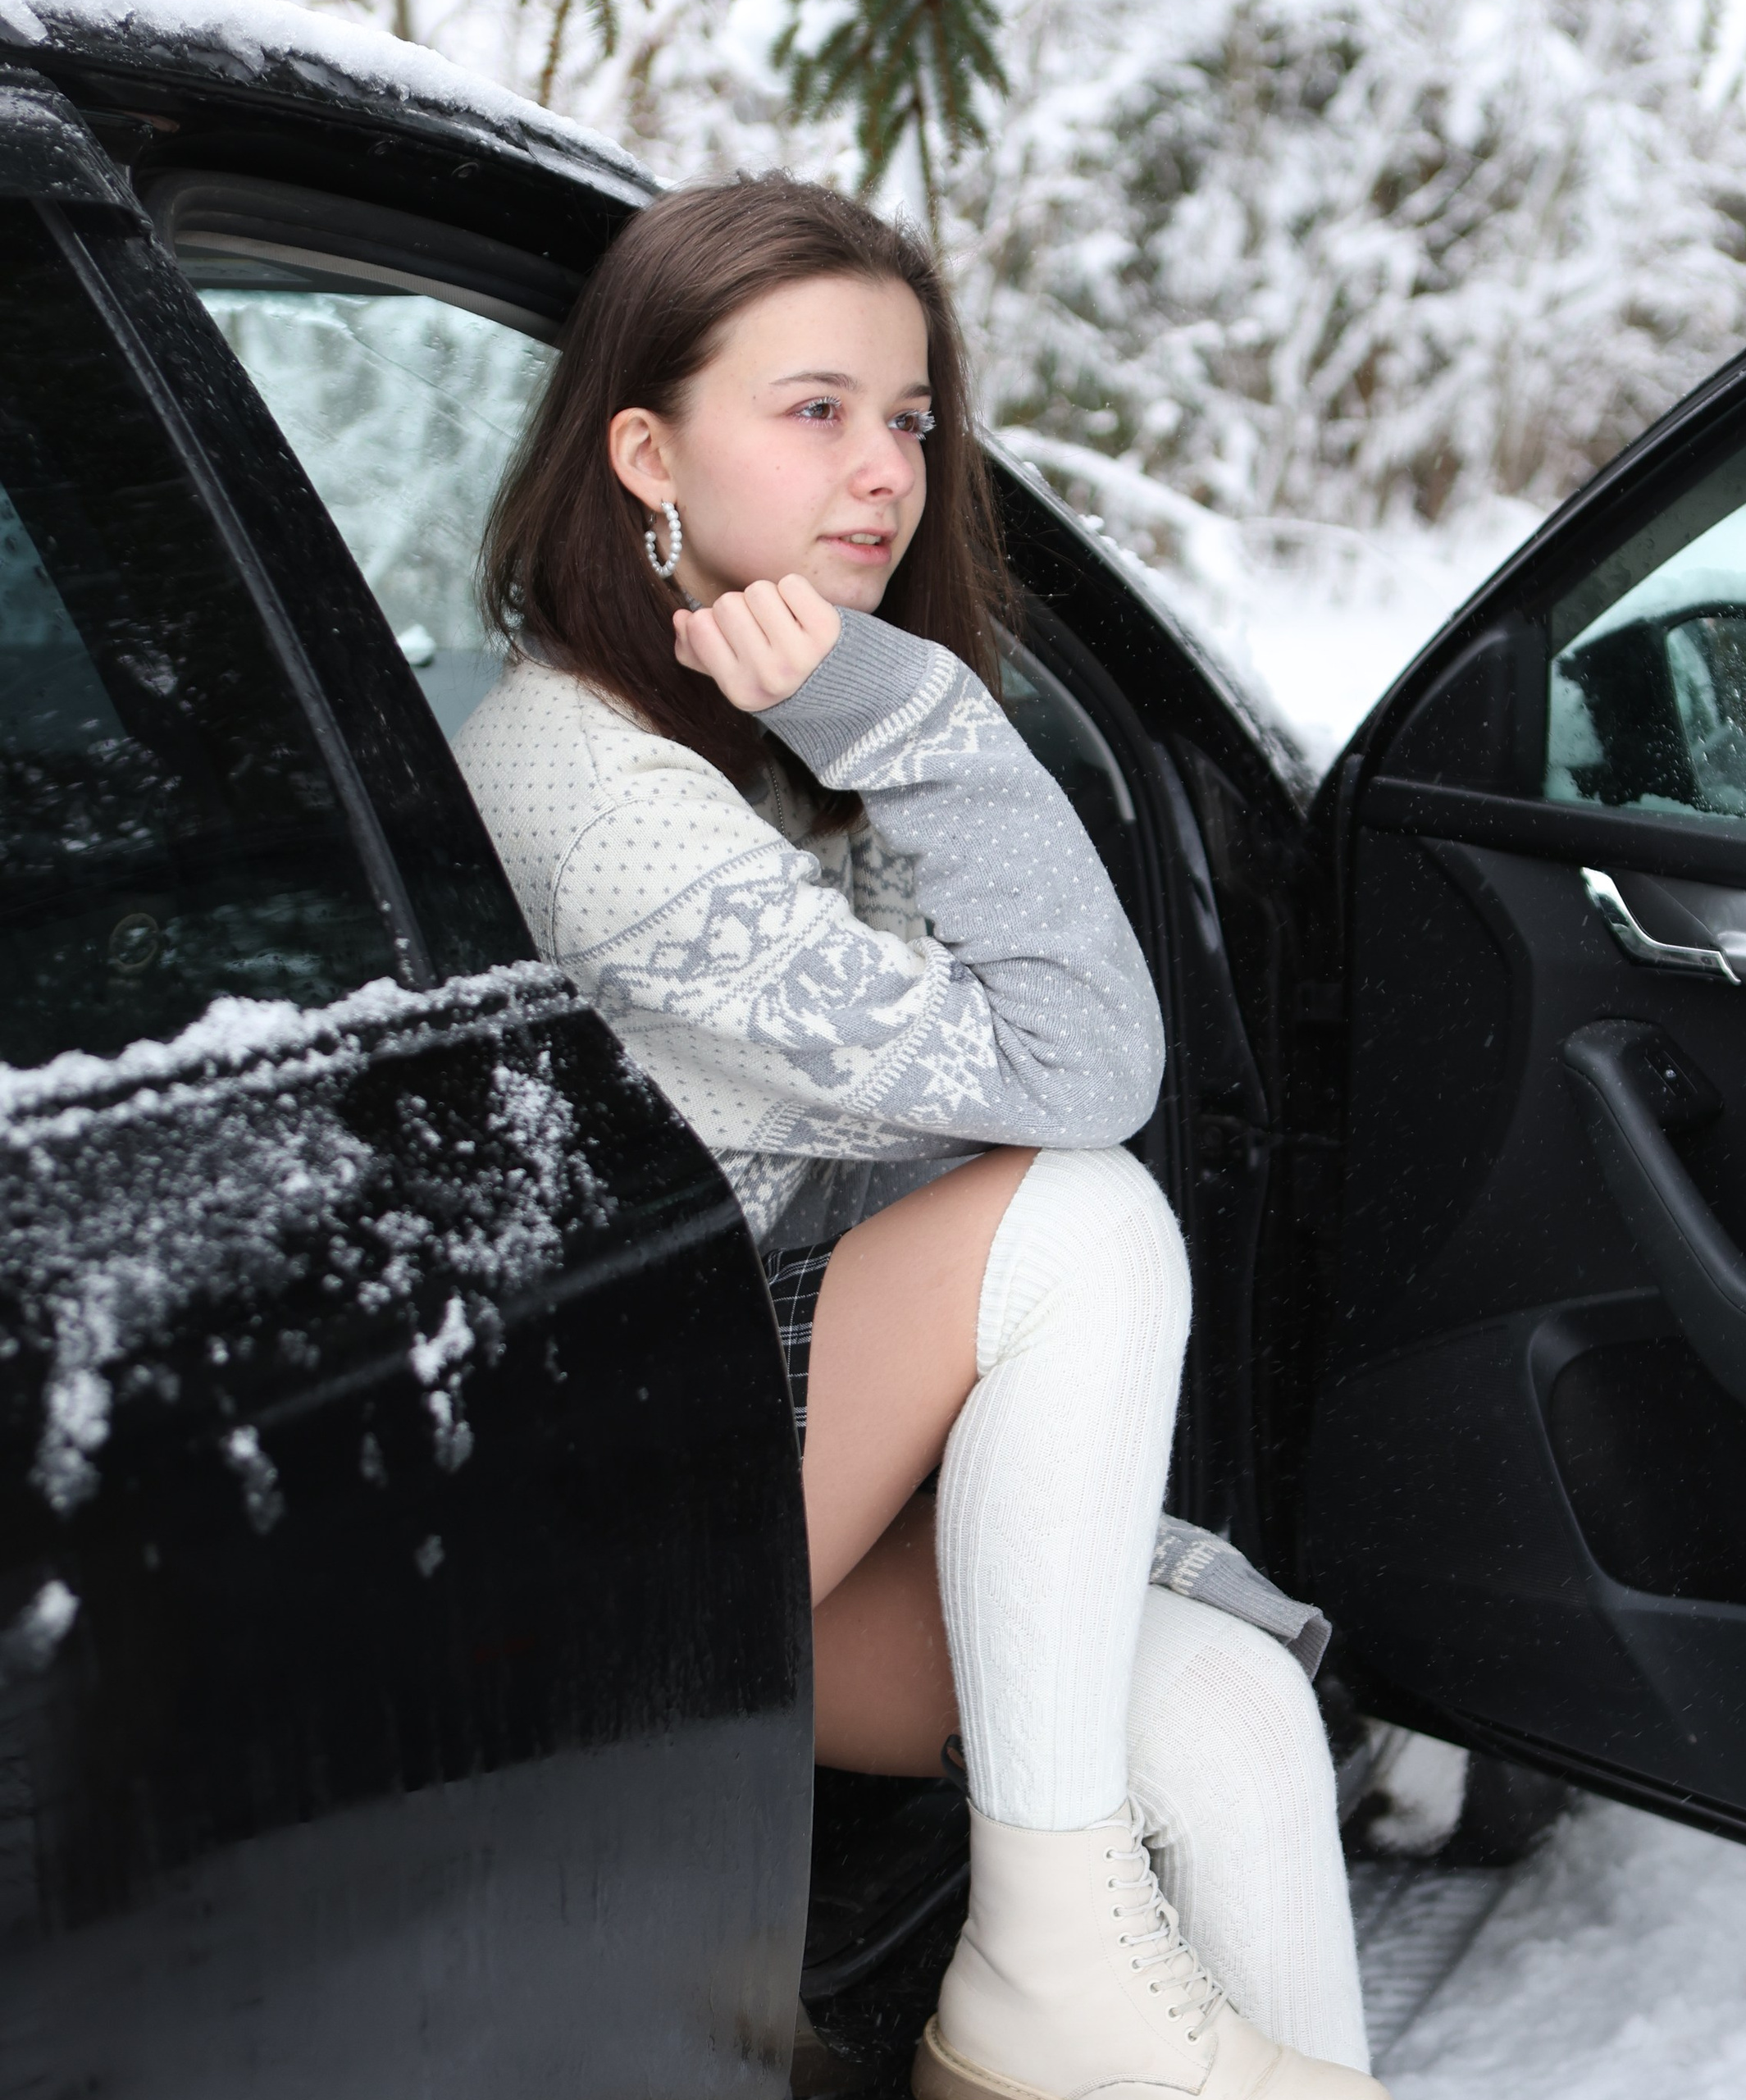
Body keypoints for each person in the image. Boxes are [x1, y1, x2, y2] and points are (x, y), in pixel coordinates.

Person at [458, 172, 1379, 2100]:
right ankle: (1046, 1977)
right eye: (812, 411)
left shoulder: (763, 725)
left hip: (744, 1444)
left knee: (1215, 1720)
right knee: (1081, 1217)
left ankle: (1088, 2002)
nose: (880, 469)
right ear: (646, 449)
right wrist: (927, 708)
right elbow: (1077, 1066)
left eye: (909, 417)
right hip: (592, 1533)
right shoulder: (593, 785)